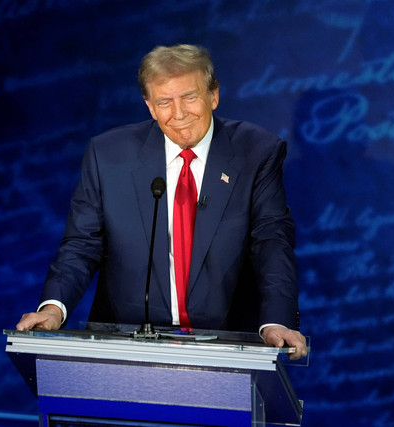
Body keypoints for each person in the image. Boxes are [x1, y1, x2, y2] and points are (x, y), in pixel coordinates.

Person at [16, 44, 307, 360]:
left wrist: (277, 319)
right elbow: (81, 245)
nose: (179, 113)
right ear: (150, 107)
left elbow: (271, 242)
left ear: (213, 96)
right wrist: (54, 308)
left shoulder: (257, 151)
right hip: (126, 344)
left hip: (226, 344)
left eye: (190, 97)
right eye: (165, 102)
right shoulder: (108, 155)